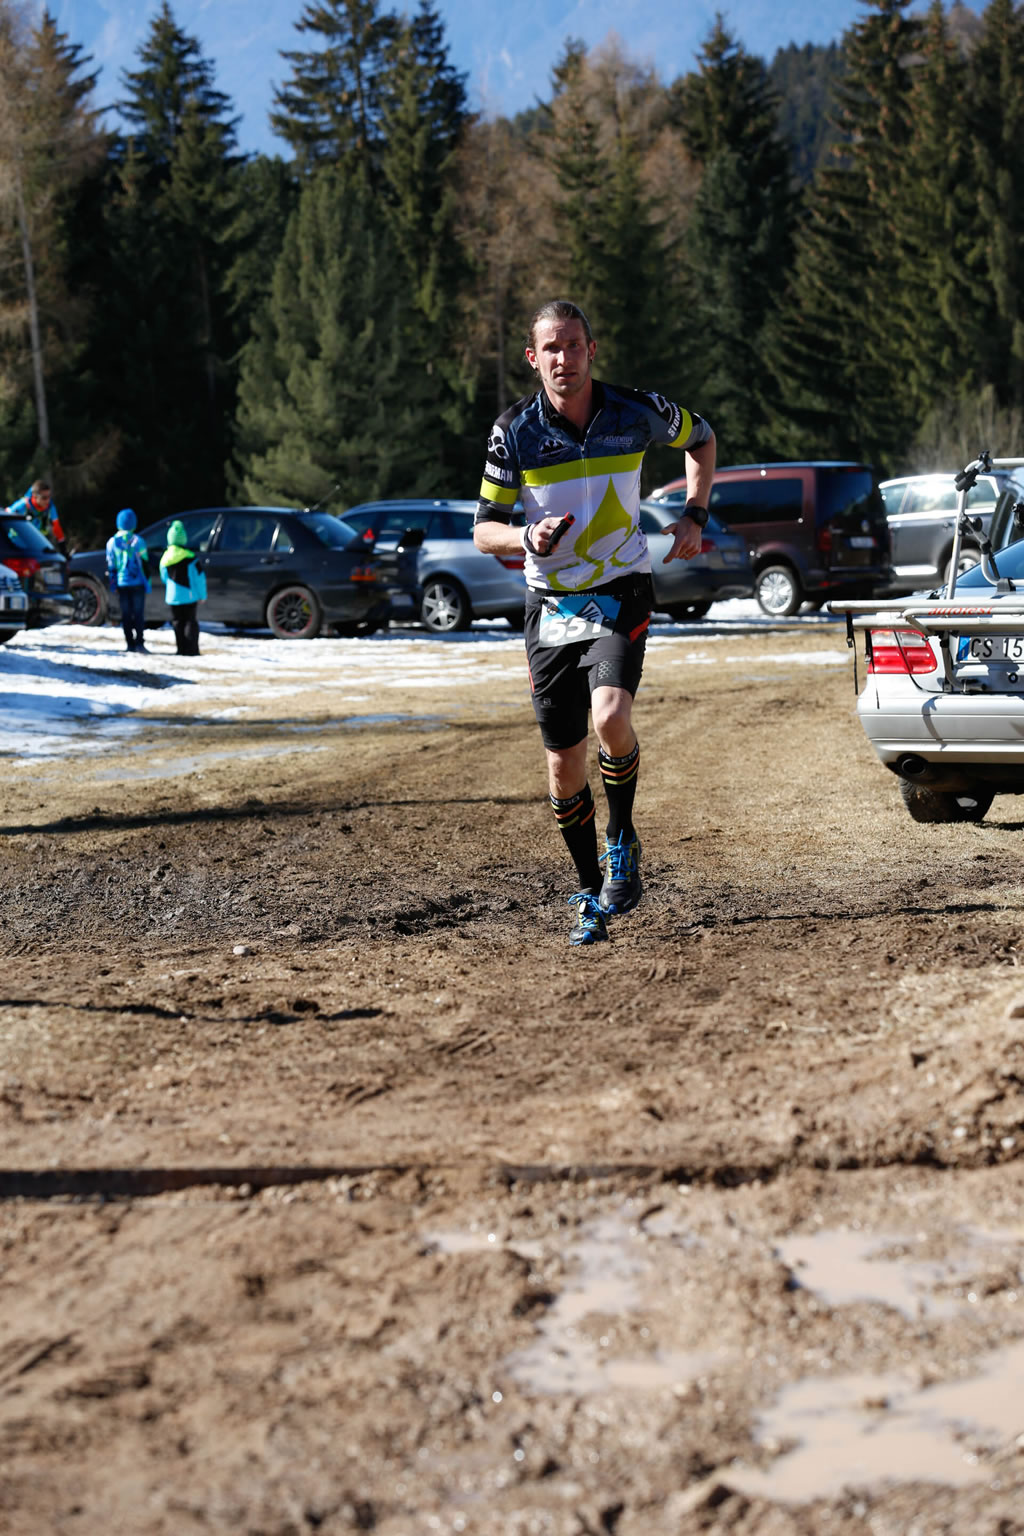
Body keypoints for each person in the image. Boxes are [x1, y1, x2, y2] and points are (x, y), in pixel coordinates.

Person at [474, 298, 716, 946]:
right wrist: (525, 537)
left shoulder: (636, 411)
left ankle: (622, 835)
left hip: (620, 588)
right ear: (534, 358)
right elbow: (484, 529)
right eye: (551, 348)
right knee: (563, 766)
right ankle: (589, 893)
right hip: (551, 604)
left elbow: (701, 437)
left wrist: (694, 515)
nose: (564, 358)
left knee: (610, 716)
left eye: (574, 344)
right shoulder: (513, 431)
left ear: (591, 350)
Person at [105, 508, 151, 653]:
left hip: (122, 583)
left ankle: (129, 644)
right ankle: (140, 643)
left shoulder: (112, 542)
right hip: (138, 583)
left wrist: (113, 585)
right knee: (138, 614)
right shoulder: (139, 541)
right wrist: (147, 582)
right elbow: (145, 563)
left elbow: (111, 565)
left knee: (126, 615)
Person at [160, 520, 207, 655]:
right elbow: (199, 578)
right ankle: (192, 650)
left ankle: (180, 649)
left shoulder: (165, 558)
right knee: (190, 622)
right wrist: (202, 595)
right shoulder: (191, 557)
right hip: (189, 596)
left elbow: (164, 578)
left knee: (177, 622)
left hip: (173, 597)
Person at [6, 479, 66, 552]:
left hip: (35, 546)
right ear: (35, 496)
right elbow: (4, 516)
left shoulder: (50, 507)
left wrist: (63, 549)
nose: (47, 500)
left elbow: (57, 527)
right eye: (44, 497)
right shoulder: (22, 506)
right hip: (15, 546)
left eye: (49, 496)